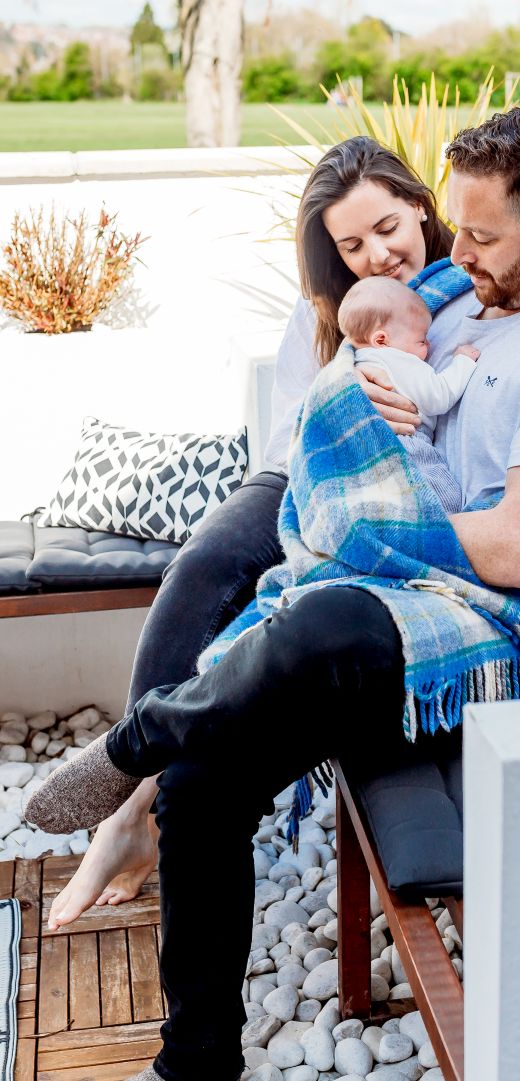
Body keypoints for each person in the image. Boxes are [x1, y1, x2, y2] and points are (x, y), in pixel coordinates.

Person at [27, 107, 520, 1081]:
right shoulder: (470, 292)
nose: (454, 253)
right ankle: (193, 1062)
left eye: (479, 236)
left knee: (325, 620)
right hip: (387, 595)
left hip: (495, 625)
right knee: (202, 781)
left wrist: (368, 534)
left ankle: (136, 738)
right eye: (456, 225)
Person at [42, 134, 467, 932]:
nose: (375, 255)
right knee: (204, 563)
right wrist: (343, 404)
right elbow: (288, 436)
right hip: (301, 476)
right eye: (351, 245)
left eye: (386, 228)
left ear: (419, 205)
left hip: (388, 497)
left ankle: (136, 804)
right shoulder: (326, 311)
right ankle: (129, 815)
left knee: (274, 622)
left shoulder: (466, 296)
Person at [339, 274, 479, 512]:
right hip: (407, 443)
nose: (429, 345)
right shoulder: (397, 359)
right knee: (444, 501)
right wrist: (463, 362)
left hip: (361, 450)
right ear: (382, 339)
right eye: (421, 340)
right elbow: (439, 396)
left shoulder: (358, 360)